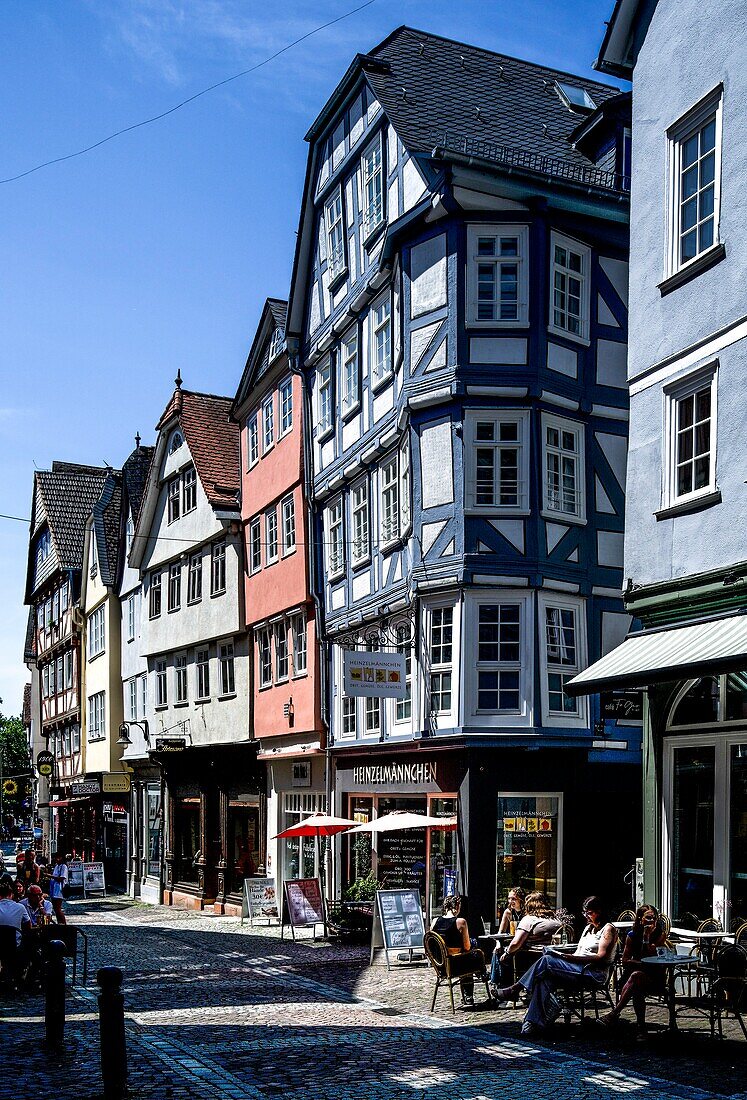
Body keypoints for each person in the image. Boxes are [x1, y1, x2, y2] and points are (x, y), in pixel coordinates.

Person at [493, 895, 618, 1035]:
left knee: (547, 961)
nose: (586, 916)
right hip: (577, 968)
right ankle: (532, 1023)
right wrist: (564, 957)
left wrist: (568, 958)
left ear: (599, 912)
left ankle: (515, 989)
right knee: (544, 979)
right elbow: (579, 951)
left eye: (589, 913)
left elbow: (600, 957)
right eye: (585, 913)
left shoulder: (608, 929)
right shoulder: (588, 928)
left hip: (593, 973)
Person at [600, 903, 666, 1038]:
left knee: (636, 979)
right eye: (648, 918)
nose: (651, 921)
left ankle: (614, 1014)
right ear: (640, 919)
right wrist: (640, 963)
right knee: (636, 983)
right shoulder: (632, 935)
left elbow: (652, 955)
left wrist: (647, 938)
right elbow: (625, 960)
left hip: (654, 976)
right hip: (635, 974)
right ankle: (641, 1027)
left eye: (654, 918)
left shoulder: (660, 934)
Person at [489, 891, 562, 993]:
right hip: (554, 957)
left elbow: (516, 943)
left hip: (531, 958)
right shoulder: (556, 920)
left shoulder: (529, 919)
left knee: (501, 953)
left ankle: (503, 986)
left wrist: (507, 953)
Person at [432, 894, 489, 1009]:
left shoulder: (434, 922)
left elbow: (432, 945)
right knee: (472, 946)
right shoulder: (461, 922)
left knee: (467, 953)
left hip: (441, 965)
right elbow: (467, 948)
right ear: (457, 906)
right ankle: (481, 975)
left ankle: (480, 975)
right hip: (457, 966)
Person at [0, 879, 32, 989]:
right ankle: (21, 977)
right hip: (14, 945)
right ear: (11, 894)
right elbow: (28, 926)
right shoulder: (20, 907)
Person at [49, 853, 68, 925]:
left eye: (58, 858)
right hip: (53, 889)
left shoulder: (64, 866)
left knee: (58, 908)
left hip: (59, 889)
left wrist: (50, 876)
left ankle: (63, 923)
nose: (56, 859)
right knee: (55, 909)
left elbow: (62, 878)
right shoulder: (57, 866)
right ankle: (59, 923)